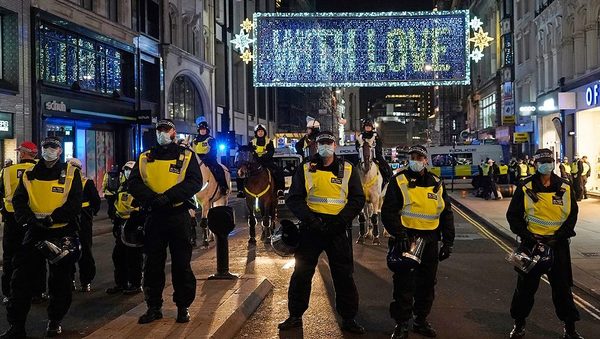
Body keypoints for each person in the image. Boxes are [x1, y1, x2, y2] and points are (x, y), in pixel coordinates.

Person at [279, 131, 366, 334]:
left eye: (328, 143)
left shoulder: (347, 169)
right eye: (322, 144)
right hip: (312, 229)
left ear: (335, 145)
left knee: (344, 275)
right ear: (317, 146)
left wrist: (341, 221)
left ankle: (349, 318)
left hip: (337, 229)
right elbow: (294, 198)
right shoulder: (306, 168)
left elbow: (357, 199)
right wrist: (311, 220)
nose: (325, 147)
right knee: (301, 274)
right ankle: (295, 316)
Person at [1, 136, 82, 338]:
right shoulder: (29, 173)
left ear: (60, 151)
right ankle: (16, 326)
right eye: (46, 146)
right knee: (20, 280)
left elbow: (74, 204)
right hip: (35, 231)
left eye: (53, 147)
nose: (49, 150)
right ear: (41, 150)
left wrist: (52, 218)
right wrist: (28, 221)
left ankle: (55, 321)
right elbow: (19, 200)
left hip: (61, 232)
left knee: (60, 282)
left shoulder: (72, 172)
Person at [128, 119, 202, 324]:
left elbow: (195, 182)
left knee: (181, 264)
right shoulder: (144, 157)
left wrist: (169, 196)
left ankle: (183, 306)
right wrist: (152, 198)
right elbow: (133, 182)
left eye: (166, 130)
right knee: (152, 265)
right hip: (154, 216)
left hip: (178, 215)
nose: (162, 134)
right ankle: (153, 307)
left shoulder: (187, 155)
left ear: (173, 133)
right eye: (159, 130)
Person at [506, 148, 583, 339]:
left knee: (563, 289)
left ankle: (570, 328)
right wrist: (527, 235)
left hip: (558, 245)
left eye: (549, 161)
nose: (545, 165)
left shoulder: (565, 186)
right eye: (542, 162)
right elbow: (513, 216)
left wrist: (560, 236)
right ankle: (519, 325)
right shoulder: (525, 187)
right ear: (535, 165)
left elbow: (572, 215)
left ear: (553, 163)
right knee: (525, 290)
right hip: (532, 245)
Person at [381, 145, 455, 339]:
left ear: (426, 161)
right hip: (406, 239)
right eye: (413, 157)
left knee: (427, 283)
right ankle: (402, 323)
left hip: (430, 240)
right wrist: (400, 234)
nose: (416, 160)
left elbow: (446, 213)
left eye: (420, 157)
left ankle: (420, 320)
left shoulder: (437, 182)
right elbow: (388, 211)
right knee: (404, 283)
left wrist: (448, 242)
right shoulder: (399, 180)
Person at [0, 142, 47, 305]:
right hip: (35, 218)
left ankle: (9, 292)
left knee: (10, 256)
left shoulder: (7, 171)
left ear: (23, 154)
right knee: (37, 256)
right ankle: (38, 291)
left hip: (13, 218)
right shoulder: (43, 170)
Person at [106, 161, 144, 295]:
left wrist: (137, 219)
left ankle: (135, 284)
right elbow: (116, 203)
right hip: (122, 224)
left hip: (134, 225)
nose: (128, 172)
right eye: (126, 170)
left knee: (134, 257)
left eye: (130, 170)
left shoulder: (141, 187)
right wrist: (115, 216)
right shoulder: (122, 187)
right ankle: (121, 283)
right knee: (118, 256)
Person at [67, 158, 101, 293]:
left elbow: (96, 201)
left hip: (81, 219)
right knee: (70, 250)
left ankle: (84, 281)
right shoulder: (67, 182)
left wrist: (90, 213)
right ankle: (74, 280)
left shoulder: (86, 182)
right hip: (74, 219)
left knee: (83, 250)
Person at [249, 124, 285, 197]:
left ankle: (280, 190)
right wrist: (256, 157)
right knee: (243, 172)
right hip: (255, 162)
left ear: (264, 132)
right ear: (256, 133)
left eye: (262, 131)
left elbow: (271, 152)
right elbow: (250, 152)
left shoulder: (269, 141)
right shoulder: (251, 142)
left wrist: (263, 157)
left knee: (278, 171)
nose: (260, 133)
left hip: (267, 162)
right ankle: (242, 190)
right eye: (259, 131)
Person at [355, 118, 393, 186]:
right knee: (354, 166)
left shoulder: (375, 136)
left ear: (372, 127)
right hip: (363, 155)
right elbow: (357, 145)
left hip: (375, 155)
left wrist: (374, 150)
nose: (368, 128)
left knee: (385, 165)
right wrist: (360, 149)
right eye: (366, 126)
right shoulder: (361, 136)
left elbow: (379, 145)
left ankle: (389, 178)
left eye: (369, 126)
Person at [193, 121, 228, 195]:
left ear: (206, 130)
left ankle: (223, 187)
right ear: (199, 130)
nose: (202, 131)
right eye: (201, 129)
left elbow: (213, 151)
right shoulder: (194, 140)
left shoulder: (211, 139)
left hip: (209, 159)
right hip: (196, 160)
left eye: (204, 129)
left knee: (219, 169)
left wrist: (206, 158)